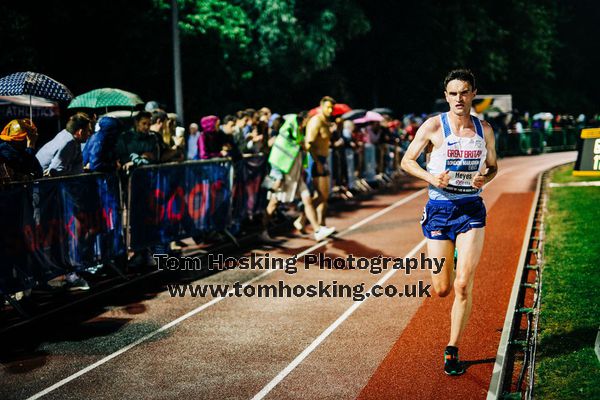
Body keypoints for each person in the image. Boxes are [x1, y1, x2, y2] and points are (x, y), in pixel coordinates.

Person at [400, 69, 498, 375]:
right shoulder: (433, 126)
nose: (459, 98)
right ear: (446, 96)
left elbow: (494, 166)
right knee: (441, 288)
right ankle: (451, 254)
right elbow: (406, 161)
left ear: (473, 94)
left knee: (463, 284)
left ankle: (452, 348)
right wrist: (432, 177)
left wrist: (486, 177)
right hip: (440, 210)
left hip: (471, 210)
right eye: (453, 93)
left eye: (464, 92)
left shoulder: (485, 130)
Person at [261, 113, 335, 242]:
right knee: (273, 205)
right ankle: (262, 231)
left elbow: (301, 153)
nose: (304, 125)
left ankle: (317, 230)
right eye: (304, 122)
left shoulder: (298, 139)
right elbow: (276, 159)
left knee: (307, 199)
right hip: (283, 177)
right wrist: (278, 177)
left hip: (296, 177)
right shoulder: (284, 140)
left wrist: (303, 170)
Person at [300, 96, 335, 229]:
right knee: (322, 195)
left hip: (323, 159)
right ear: (321, 107)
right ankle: (302, 218)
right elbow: (309, 144)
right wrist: (317, 162)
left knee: (324, 196)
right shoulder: (316, 121)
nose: (330, 110)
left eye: (332, 107)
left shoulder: (326, 121)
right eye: (328, 107)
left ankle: (322, 223)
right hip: (315, 160)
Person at [36, 112, 92, 177]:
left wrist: (81, 169)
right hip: (39, 180)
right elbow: (56, 171)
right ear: (80, 132)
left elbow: (78, 165)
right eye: (88, 130)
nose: (89, 134)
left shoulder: (75, 139)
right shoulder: (68, 142)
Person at [0, 119, 42, 183]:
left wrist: (31, 176)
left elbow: (39, 172)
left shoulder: (24, 151)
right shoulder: (4, 150)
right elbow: (26, 169)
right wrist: (31, 145)